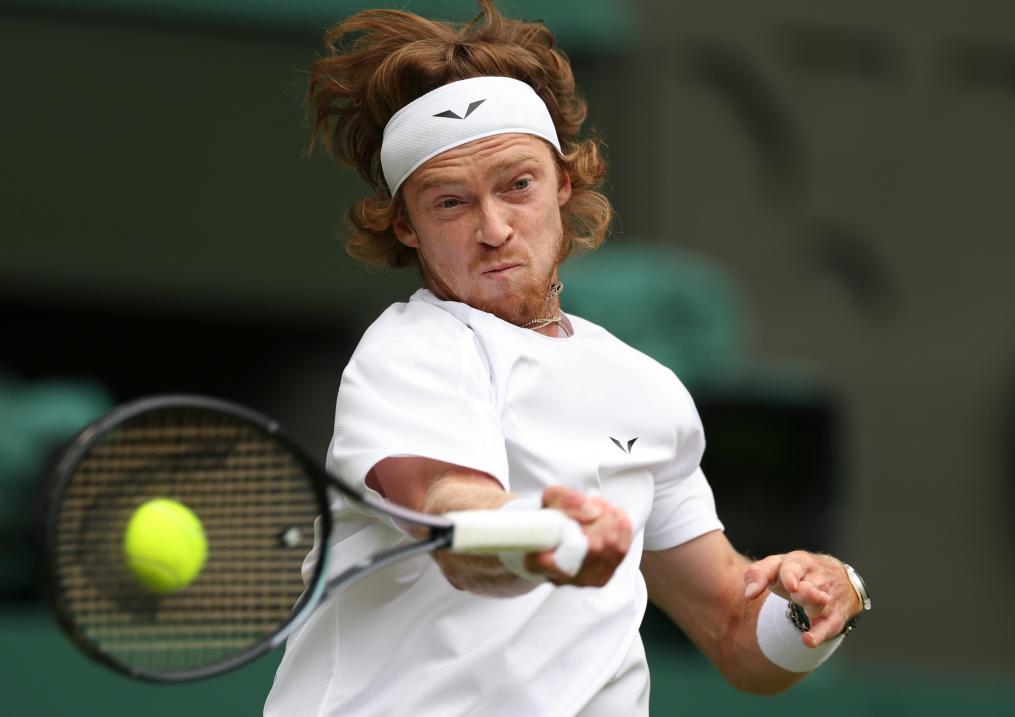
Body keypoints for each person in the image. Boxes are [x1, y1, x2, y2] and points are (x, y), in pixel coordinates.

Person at [264, 2, 870, 715]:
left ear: (564, 184)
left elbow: (735, 633)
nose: (493, 228)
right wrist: (544, 534)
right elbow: (455, 525)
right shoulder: (409, 350)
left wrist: (815, 604)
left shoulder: (645, 390)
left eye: (517, 185)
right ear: (407, 226)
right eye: (451, 202)